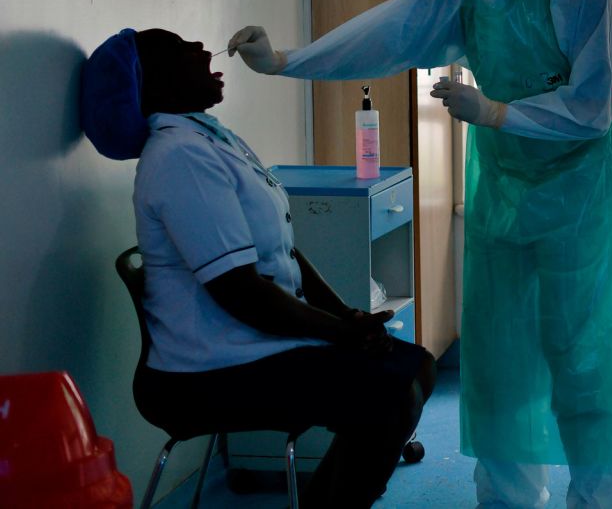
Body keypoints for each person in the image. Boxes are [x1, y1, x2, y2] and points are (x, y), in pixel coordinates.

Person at [227, 0, 612, 509]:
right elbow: (389, 33)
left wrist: (495, 112)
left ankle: (603, 500)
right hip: (504, 188)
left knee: (584, 351)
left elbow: (591, 109)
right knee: (499, 352)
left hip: (580, 190)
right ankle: (509, 499)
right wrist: (287, 61)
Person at [80, 27, 436, 508]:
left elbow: (285, 252)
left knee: (415, 367)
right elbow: (240, 293)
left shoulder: (212, 140)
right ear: (154, 82)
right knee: (388, 397)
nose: (202, 48)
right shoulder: (180, 157)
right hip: (205, 373)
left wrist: (346, 317)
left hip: (250, 345)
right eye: (181, 46)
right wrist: (339, 333)